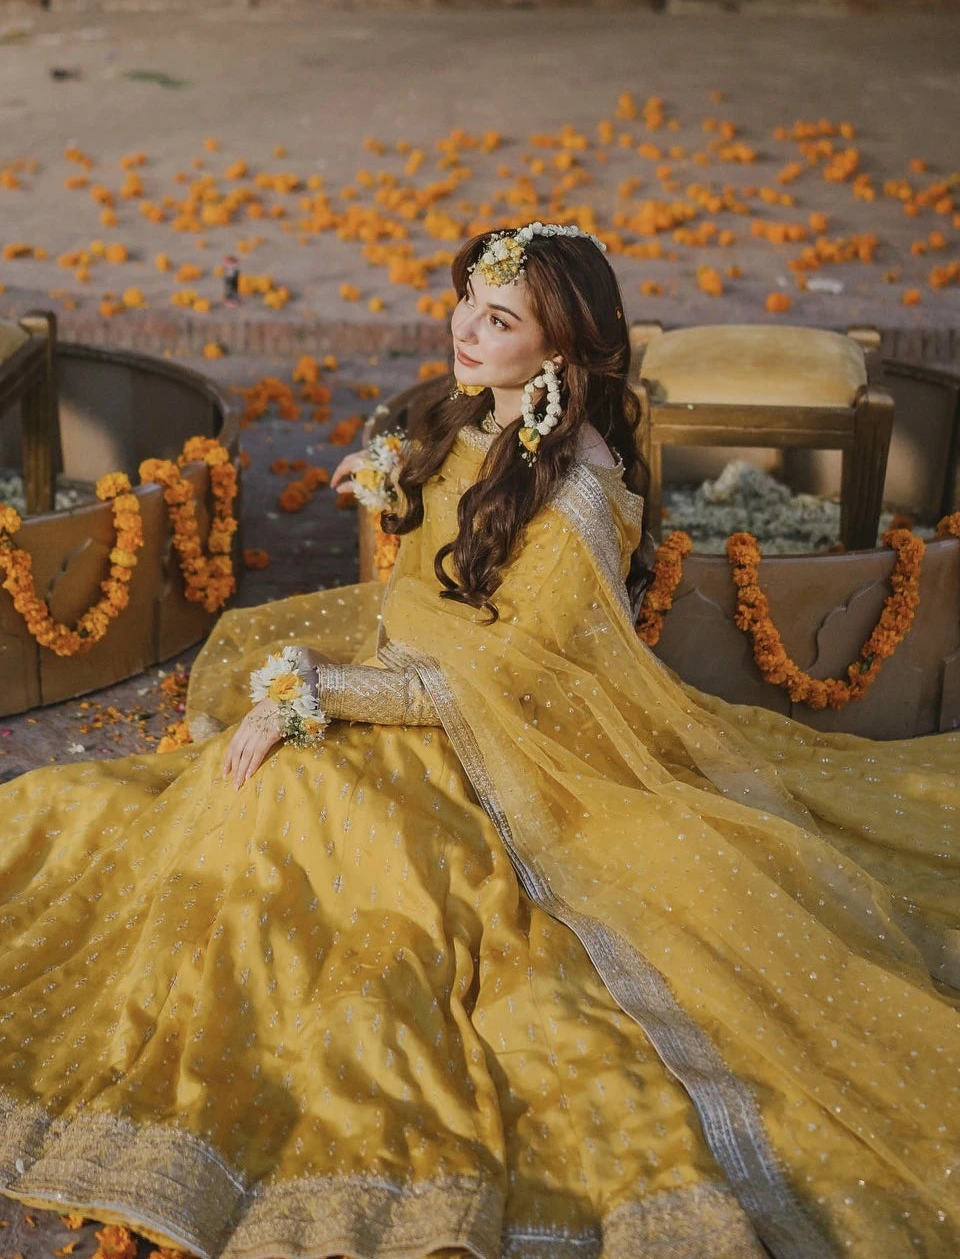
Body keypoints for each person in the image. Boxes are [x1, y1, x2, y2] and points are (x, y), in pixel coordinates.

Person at [0, 223, 957, 1259]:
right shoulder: (497, 413)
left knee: (301, 802)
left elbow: (501, 678)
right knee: (207, 801)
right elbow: (461, 514)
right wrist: (391, 484)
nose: (464, 327)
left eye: (498, 318)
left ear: (557, 351)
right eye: (466, 302)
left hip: (501, 744)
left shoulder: (584, 491)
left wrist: (322, 691)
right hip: (418, 677)